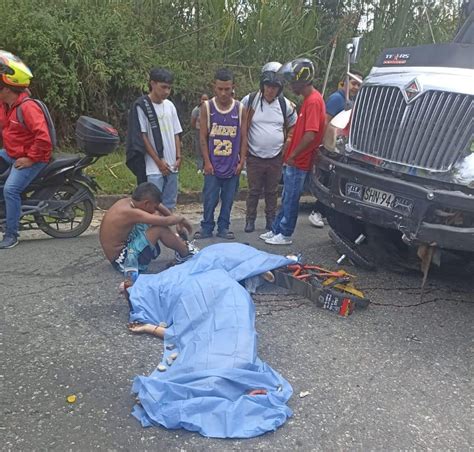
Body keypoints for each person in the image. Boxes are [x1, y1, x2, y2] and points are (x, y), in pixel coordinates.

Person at [260, 58, 325, 246]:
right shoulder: (308, 100)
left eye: (292, 81)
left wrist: (295, 154)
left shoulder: (313, 101)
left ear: (301, 80)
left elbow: (311, 134)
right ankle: (277, 229)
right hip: (294, 160)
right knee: (287, 195)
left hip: (300, 161)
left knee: (291, 198)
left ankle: (286, 233)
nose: (289, 86)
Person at [0, 51, 52, 249]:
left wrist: (30, 159)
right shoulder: (6, 105)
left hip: (33, 158)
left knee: (10, 190)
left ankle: (11, 234)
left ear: (7, 89)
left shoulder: (27, 108)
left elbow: (43, 139)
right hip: (12, 152)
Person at [241, 62, 297, 233]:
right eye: (268, 86)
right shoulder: (249, 101)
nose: (270, 90)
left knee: (272, 192)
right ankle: (250, 220)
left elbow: (294, 126)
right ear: (262, 85)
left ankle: (270, 220)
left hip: (275, 157)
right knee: (253, 191)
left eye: (274, 87)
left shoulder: (285, 104)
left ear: (279, 88)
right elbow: (240, 124)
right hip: (254, 156)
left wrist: (287, 145)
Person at [194, 68, 248, 240]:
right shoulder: (207, 107)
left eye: (227, 89)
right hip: (213, 164)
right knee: (209, 198)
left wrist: (242, 162)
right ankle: (207, 226)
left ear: (233, 87)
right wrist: (207, 162)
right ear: (214, 88)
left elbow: (244, 137)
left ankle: (224, 227)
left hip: (232, 163)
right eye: (220, 89)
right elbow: (202, 137)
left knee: (229, 198)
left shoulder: (240, 109)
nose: (224, 93)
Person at [99, 182, 198, 273]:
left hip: (127, 244)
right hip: (123, 261)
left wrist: (173, 219)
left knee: (157, 214)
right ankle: (185, 253)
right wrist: (181, 220)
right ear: (146, 203)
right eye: (153, 206)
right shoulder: (130, 212)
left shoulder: (129, 202)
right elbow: (165, 221)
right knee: (159, 228)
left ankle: (179, 243)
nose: (155, 208)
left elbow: (159, 207)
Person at [308, 69, 363, 228]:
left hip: (344, 148)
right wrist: (326, 146)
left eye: (359, 85)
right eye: (353, 83)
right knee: (329, 179)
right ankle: (317, 212)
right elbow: (326, 122)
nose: (355, 88)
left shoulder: (352, 101)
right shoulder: (336, 99)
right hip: (332, 148)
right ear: (344, 83)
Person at [126, 68, 182, 211]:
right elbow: (142, 136)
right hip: (153, 167)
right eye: (163, 87)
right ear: (152, 84)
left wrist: (178, 157)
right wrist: (158, 161)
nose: (167, 91)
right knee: (152, 206)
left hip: (172, 165)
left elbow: (176, 133)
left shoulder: (170, 106)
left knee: (169, 205)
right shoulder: (142, 106)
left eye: (169, 88)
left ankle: (167, 232)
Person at [190, 93, 209, 173]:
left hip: (208, 131)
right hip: (199, 131)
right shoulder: (196, 110)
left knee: (207, 148)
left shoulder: (210, 109)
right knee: (199, 149)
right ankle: (199, 168)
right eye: (203, 99)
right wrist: (197, 128)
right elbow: (193, 121)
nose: (204, 101)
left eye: (206, 99)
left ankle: (206, 166)